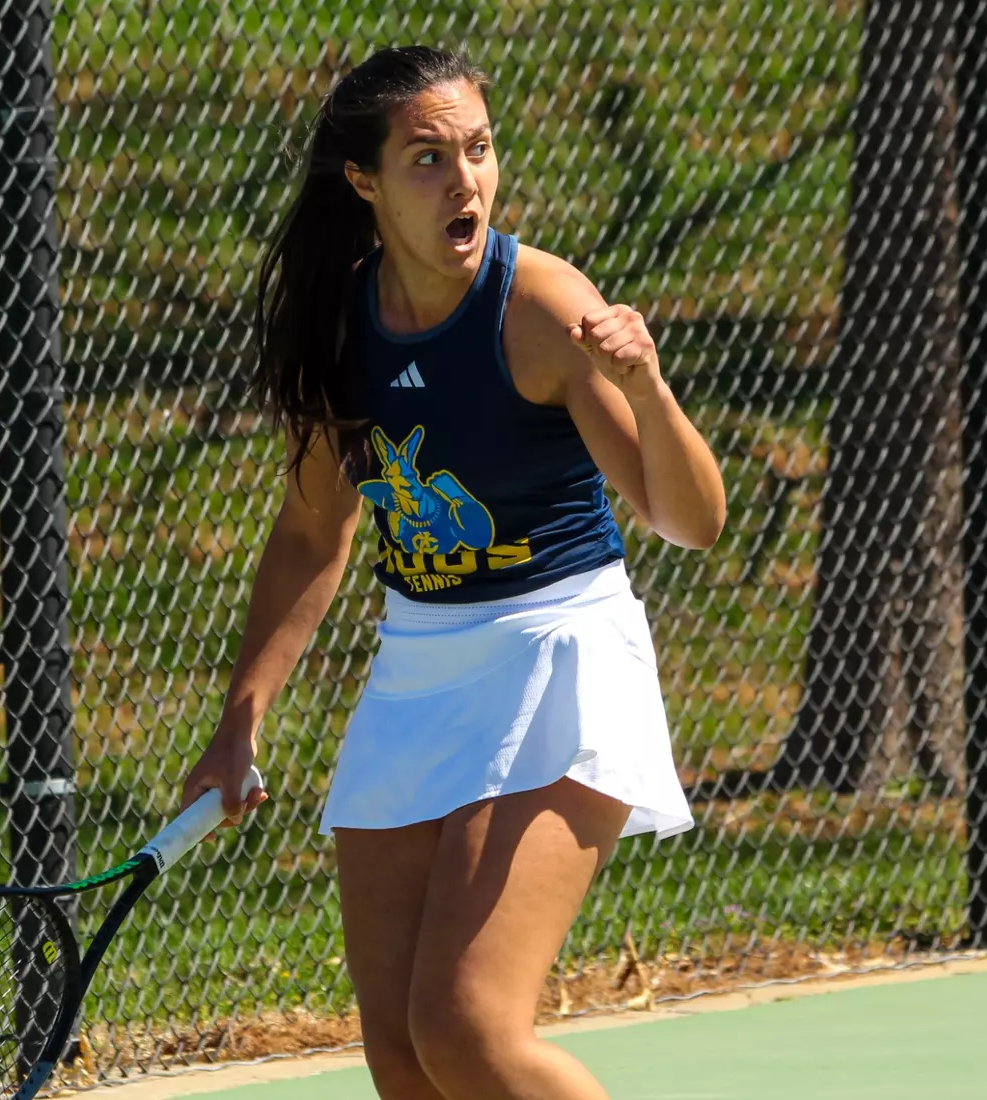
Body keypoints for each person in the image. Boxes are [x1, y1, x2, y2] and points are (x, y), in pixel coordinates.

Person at [180, 45, 726, 1100]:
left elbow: (688, 520)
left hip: (561, 653)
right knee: (402, 1056)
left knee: (468, 1027)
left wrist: (649, 390)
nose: (464, 179)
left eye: (477, 149)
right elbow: (311, 535)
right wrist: (241, 715)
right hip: (419, 669)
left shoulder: (541, 306)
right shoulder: (339, 327)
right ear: (366, 182)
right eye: (428, 158)